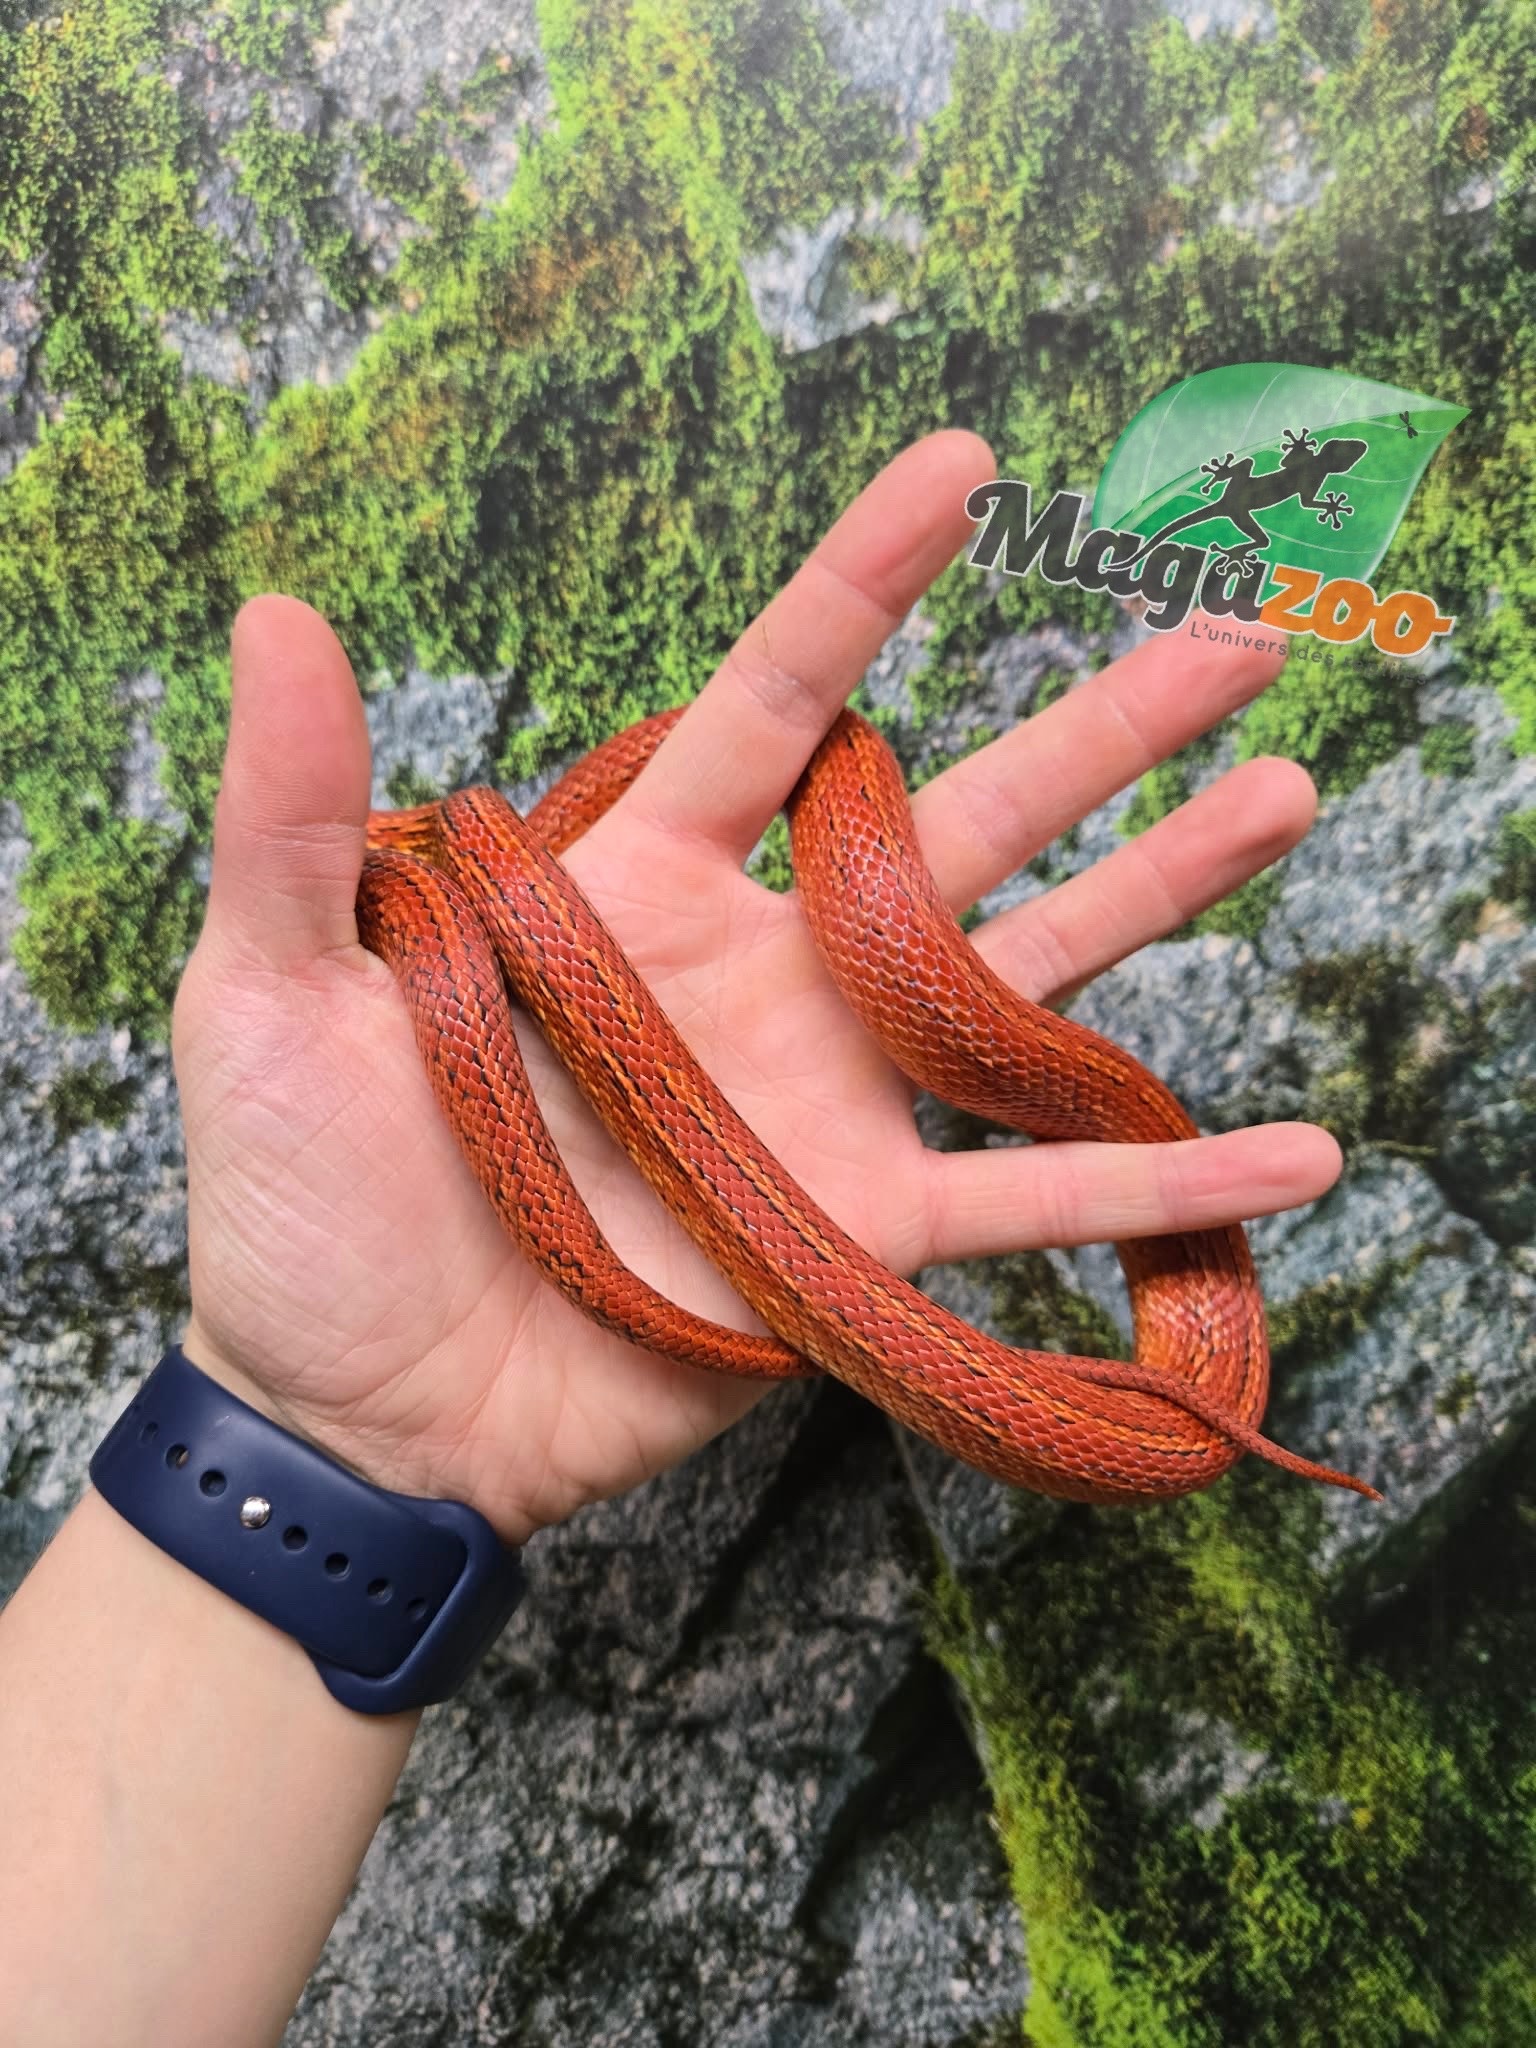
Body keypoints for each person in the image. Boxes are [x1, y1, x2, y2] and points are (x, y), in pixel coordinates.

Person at [0, 433, 1340, 2044]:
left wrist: (305, 1437)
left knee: (1139, 1301)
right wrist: (317, 1423)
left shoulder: (467, 876)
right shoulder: (426, 900)